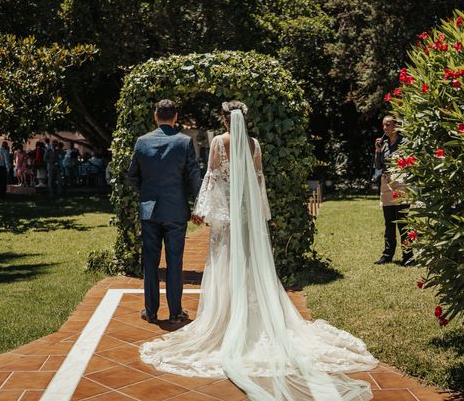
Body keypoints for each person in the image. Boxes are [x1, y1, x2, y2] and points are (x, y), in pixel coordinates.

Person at [139, 101, 377, 401]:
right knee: (249, 262)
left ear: (224, 120)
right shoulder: (255, 145)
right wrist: (258, 213)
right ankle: (251, 318)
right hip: (246, 216)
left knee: (223, 262)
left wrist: (202, 210)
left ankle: (224, 317)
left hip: (225, 216)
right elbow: (259, 182)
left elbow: (212, 178)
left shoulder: (217, 142)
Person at [128, 99, 201, 324]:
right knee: (174, 261)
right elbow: (193, 177)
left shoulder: (141, 142)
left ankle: (150, 311)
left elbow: (132, 176)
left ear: (155, 116)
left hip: (150, 210)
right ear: (175, 117)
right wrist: (197, 204)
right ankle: (175, 311)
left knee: (149, 261)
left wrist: (147, 193)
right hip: (175, 210)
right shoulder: (184, 142)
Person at [373, 115, 413, 266]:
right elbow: (378, 166)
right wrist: (377, 151)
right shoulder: (383, 144)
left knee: (403, 222)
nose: (385, 128)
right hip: (386, 184)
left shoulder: (405, 143)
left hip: (401, 183)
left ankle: (408, 256)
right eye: (384, 125)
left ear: (396, 126)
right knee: (389, 222)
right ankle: (387, 254)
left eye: (388, 125)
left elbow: (411, 163)